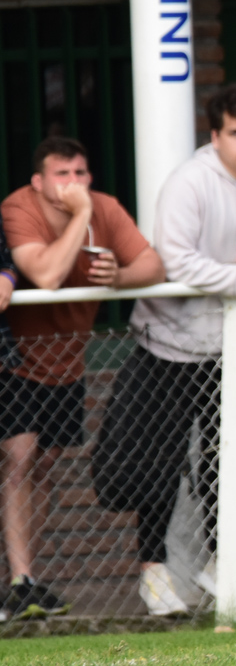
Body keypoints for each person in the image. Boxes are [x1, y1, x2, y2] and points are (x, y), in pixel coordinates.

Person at [95, 84, 236, 616]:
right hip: (168, 344)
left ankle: (222, 566)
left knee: (227, 460)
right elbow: (177, 261)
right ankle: (155, 572)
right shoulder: (189, 182)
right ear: (215, 136)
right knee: (151, 461)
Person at [1, 137, 164, 621]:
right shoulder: (19, 207)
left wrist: (118, 277)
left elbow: (153, 265)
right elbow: (46, 274)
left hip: (68, 362)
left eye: (80, 174)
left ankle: (26, 579)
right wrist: (79, 216)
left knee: (44, 465)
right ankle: (19, 578)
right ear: (39, 181)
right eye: (62, 175)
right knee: (20, 457)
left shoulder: (105, 208)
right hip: (17, 360)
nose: (74, 184)